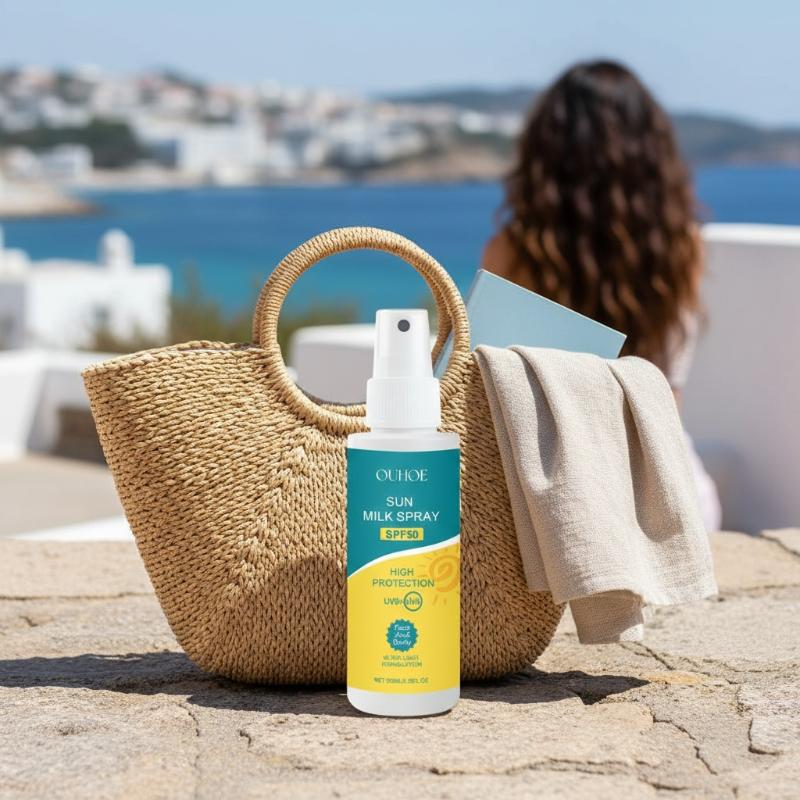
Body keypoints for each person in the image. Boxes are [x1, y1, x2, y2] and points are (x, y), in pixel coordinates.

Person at [483, 60, 721, 530]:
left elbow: (489, 388)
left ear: (546, 153)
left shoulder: (512, 251)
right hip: (671, 494)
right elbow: (668, 393)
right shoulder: (682, 248)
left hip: (557, 495)